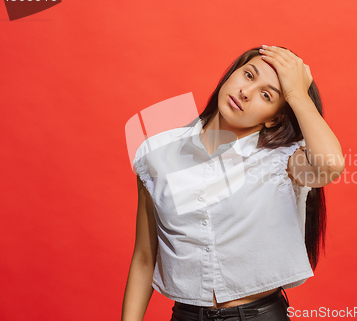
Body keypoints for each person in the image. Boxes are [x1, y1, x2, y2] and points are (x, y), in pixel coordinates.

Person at [121, 45, 345, 321]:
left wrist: (297, 94)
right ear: (232, 73)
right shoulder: (157, 153)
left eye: (266, 95)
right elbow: (144, 258)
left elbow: (331, 165)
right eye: (248, 75)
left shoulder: (284, 160)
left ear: (274, 117)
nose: (246, 93)